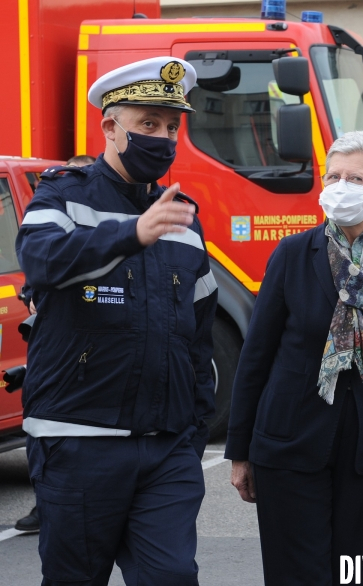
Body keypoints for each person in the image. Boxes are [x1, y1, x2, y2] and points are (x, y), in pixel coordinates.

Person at [15, 57, 217, 585]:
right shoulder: (61, 193)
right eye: (147, 124)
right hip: (79, 442)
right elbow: (41, 261)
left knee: (172, 576)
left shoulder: (183, 216)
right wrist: (132, 234)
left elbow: (199, 339)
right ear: (110, 126)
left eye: (171, 127)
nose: (163, 137)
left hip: (166, 448)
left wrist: (192, 433)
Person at [225, 130, 363, 586]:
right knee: (294, 574)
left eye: (355, 179)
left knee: (350, 574)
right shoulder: (292, 254)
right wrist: (240, 452)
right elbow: (256, 357)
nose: (340, 187)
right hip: (288, 443)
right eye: (333, 176)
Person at [14, 154, 96, 534]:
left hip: (92, 353)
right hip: (56, 352)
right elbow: (38, 269)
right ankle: (44, 502)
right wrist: (30, 296)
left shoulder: (98, 228)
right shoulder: (55, 217)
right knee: (42, 426)